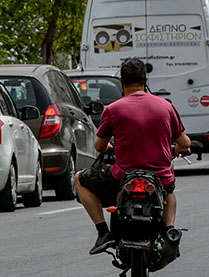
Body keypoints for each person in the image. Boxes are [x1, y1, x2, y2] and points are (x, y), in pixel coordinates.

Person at [74, 57, 191, 255]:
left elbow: (100, 145)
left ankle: (103, 232)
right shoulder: (165, 106)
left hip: (122, 177)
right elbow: (185, 142)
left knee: (79, 179)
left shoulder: (113, 110)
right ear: (146, 80)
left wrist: (110, 146)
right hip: (159, 177)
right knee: (169, 193)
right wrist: (178, 150)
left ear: (121, 81)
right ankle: (169, 229)